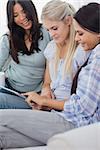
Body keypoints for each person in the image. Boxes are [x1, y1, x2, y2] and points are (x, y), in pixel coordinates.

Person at [0, 1, 100, 149]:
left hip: (69, 119)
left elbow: (82, 107)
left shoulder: (87, 53)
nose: (51, 34)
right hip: (53, 111)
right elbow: (48, 82)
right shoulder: (53, 47)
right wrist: (45, 95)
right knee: (3, 135)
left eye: (54, 28)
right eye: (48, 30)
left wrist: (43, 101)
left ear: (68, 22)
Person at [0, 0, 50, 109]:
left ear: (31, 9)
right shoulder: (8, 38)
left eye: (24, 11)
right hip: (9, 88)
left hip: (33, 95)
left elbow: (53, 65)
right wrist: (6, 71)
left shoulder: (47, 32)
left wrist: (45, 91)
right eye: (16, 15)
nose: (22, 18)